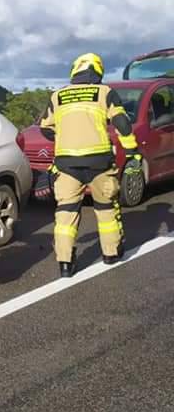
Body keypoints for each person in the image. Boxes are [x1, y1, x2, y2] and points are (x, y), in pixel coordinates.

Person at [39, 52, 142, 277]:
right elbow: (122, 123)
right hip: (100, 162)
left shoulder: (58, 95)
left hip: (66, 165)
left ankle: (65, 264)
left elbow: (45, 128)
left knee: (66, 213)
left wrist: (66, 136)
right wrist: (133, 151)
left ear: (75, 71)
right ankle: (111, 254)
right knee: (105, 209)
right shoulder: (105, 92)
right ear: (98, 72)